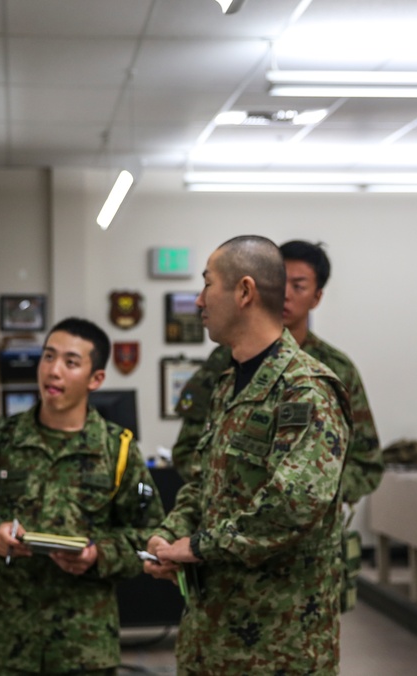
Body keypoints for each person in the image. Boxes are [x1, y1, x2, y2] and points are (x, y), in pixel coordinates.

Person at [145, 235, 352, 675]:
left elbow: (293, 505)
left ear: (244, 292)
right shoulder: (227, 385)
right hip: (211, 633)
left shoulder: (305, 389)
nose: (199, 300)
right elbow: (204, 483)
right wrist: (168, 537)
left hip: (279, 645)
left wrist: (196, 547)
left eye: (207, 285)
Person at [0, 317, 163, 675]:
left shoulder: (117, 449)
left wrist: (98, 553)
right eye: (48, 357)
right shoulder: (2, 437)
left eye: (70, 362)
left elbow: (150, 536)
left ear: (96, 379)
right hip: (8, 640)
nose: (53, 371)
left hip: (84, 645)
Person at [172, 240, 383, 504]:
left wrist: (319, 492)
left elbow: (367, 464)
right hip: (225, 521)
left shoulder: (335, 369)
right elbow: (188, 448)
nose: (285, 293)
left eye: (298, 286)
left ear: (316, 297)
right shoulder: (226, 361)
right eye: (279, 280)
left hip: (304, 524)